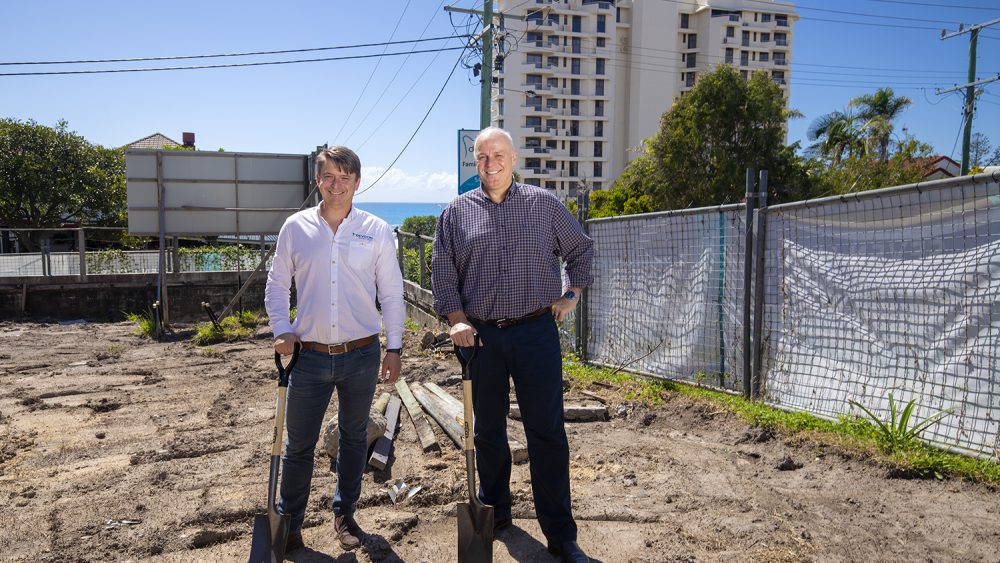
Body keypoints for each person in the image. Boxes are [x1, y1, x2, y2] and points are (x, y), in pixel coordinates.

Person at [431, 127, 594, 563]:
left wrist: (571, 294)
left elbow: (581, 250)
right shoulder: (456, 213)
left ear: (514, 158)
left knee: (547, 433)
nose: (490, 163)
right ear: (476, 162)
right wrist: (457, 320)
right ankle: (497, 512)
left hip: (535, 331)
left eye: (498, 154)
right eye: (482, 157)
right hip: (480, 338)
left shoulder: (544, 205)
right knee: (488, 430)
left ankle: (561, 535)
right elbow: (443, 274)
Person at [265, 145, 404, 554]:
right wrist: (281, 329)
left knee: (353, 437)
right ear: (318, 180)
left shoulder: (377, 230)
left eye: (345, 178)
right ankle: (289, 522)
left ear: (357, 182)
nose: (337, 185)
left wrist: (393, 348)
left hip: (361, 355)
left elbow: (392, 293)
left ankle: (345, 514)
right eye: (329, 177)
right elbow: (276, 284)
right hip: (306, 357)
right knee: (299, 445)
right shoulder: (295, 228)